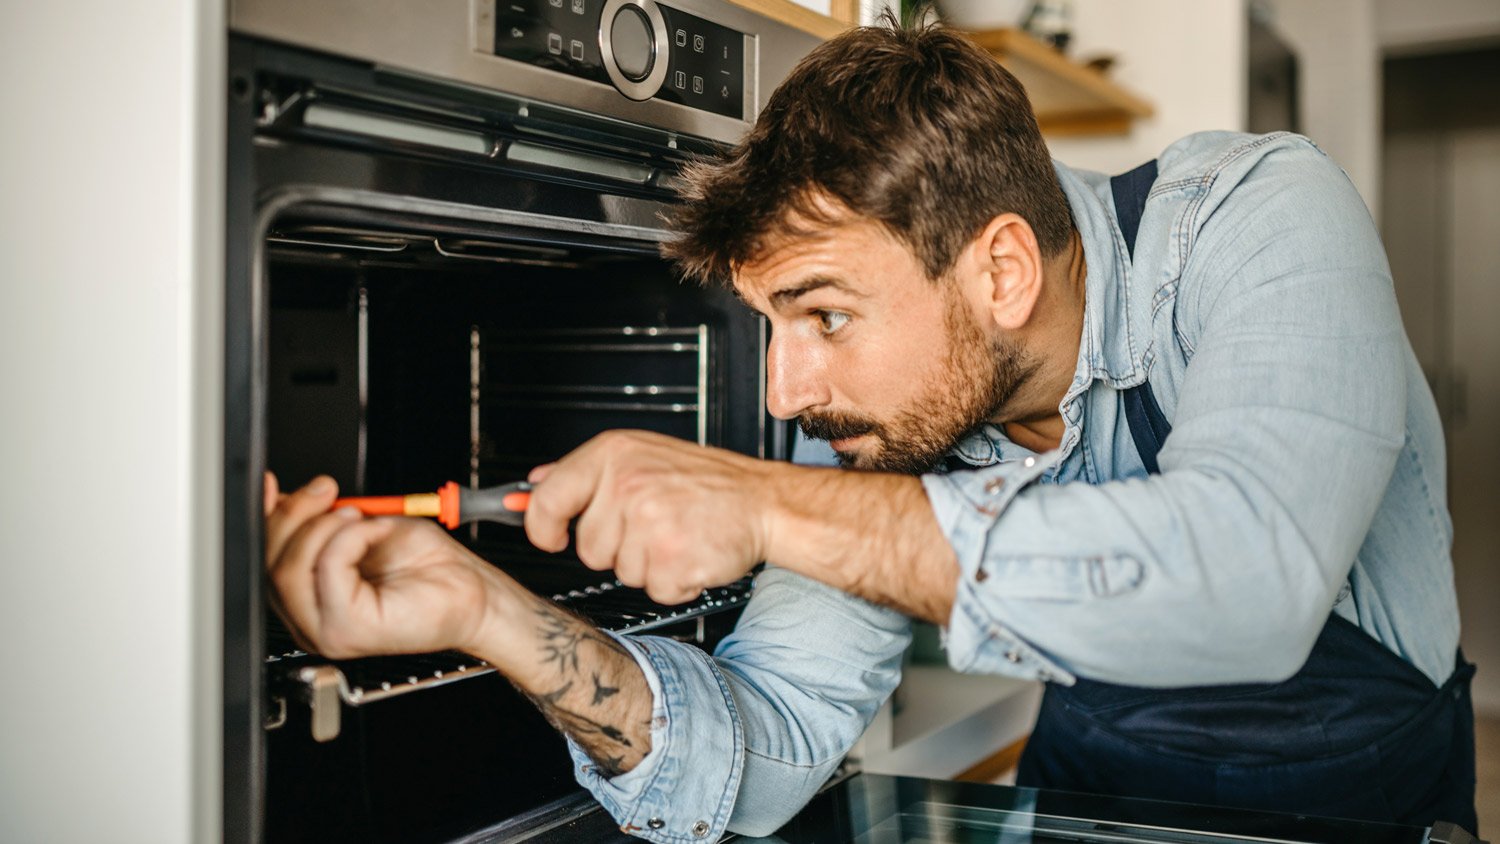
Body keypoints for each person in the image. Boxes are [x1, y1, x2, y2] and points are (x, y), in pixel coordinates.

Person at [263, 16, 1478, 841]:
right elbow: (771, 746)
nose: (785, 391)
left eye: (826, 314)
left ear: (1002, 270)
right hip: (1085, 793)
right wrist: (492, 616)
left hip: (1360, 792)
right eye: (771, 325)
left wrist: (758, 505)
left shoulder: (1256, 219)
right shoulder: (880, 427)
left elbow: (1249, 574)